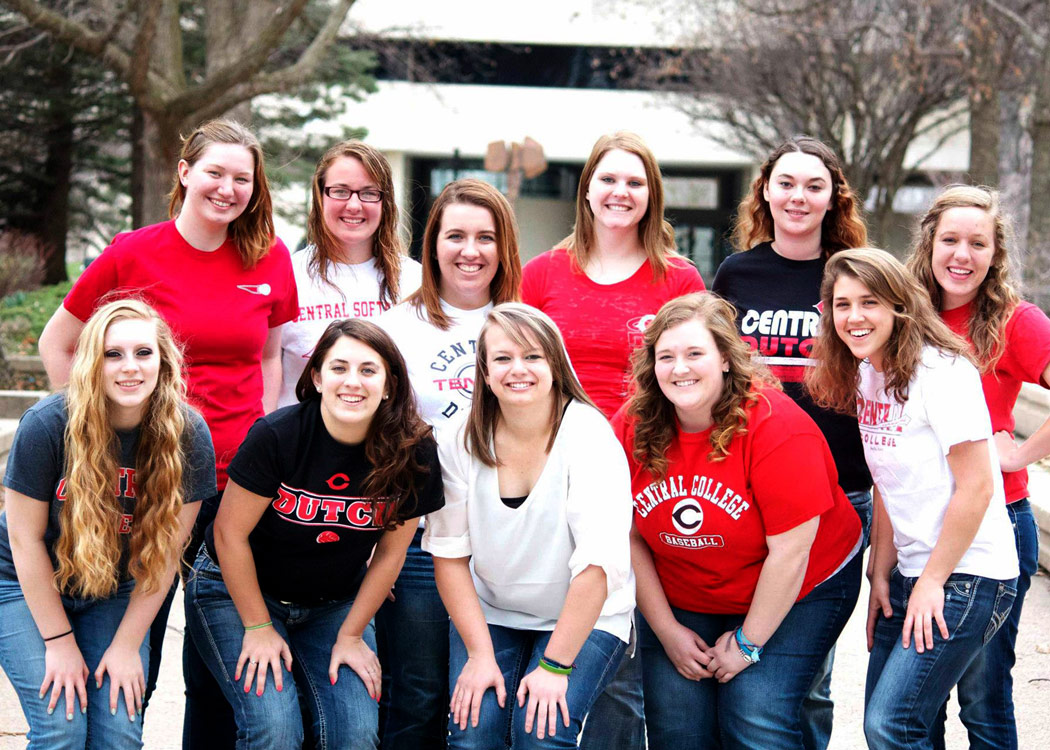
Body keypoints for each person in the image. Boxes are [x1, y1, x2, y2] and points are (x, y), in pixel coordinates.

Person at [37, 118, 298, 746]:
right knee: (134, 645)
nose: (228, 188)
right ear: (184, 173)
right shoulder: (133, 252)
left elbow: (266, 358)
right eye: (215, 172)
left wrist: (260, 441)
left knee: (218, 657)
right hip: (144, 482)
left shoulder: (269, 256)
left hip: (236, 484)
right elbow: (60, 341)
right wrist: (90, 438)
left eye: (243, 178)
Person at [521, 131, 704, 748]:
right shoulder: (544, 272)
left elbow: (702, 376)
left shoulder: (677, 279)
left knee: (620, 659)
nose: (620, 192)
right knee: (556, 623)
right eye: (608, 179)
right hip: (554, 474)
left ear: (652, 195)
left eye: (635, 181)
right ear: (587, 189)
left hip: (646, 476)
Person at [617, 292, 862, 750]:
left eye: (695, 353)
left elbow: (791, 553)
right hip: (686, 585)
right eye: (665, 356)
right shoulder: (633, 426)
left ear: (727, 359)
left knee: (753, 710)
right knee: (678, 726)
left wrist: (749, 643)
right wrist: (667, 632)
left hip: (804, 581)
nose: (680, 368)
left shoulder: (776, 427)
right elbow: (628, 537)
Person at [184, 319, 444, 749]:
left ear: (390, 384)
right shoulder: (278, 436)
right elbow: (230, 535)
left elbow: (389, 556)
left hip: (333, 603)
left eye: (368, 370)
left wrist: (352, 634)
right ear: (318, 377)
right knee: (276, 727)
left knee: (357, 733)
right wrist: (258, 625)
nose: (352, 382)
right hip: (236, 592)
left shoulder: (411, 451)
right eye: (339, 368)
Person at [805, 247, 1019, 750]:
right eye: (842, 304)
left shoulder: (942, 373)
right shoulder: (868, 373)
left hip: (968, 573)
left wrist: (932, 581)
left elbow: (979, 485)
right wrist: (881, 571)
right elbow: (887, 481)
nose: (854, 317)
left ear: (900, 305)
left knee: (891, 724)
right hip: (911, 572)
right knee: (903, 725)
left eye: (870, 302)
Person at [710, 135, 872, 750]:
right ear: (766, 192)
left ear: (834, 199)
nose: (798, 197)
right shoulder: (737, 271)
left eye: (814, 186)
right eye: (786, 183)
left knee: (806, 680)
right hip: (750, 493)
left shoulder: (855, 273)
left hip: (838, 494)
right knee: (755, 669)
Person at [0, 299, 215, 749]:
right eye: (112, 354)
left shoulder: (188, 435)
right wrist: (58, 643)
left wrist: (125, 646)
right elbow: (23, 540)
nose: (129, 368)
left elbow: (166, 555)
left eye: (143, 353)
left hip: (112, 588)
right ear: (91, 363)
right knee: (62, 725)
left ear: (164, 361)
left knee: (117, 730)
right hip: (19, 582)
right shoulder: (47, 425)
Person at [424, 303, 635, 749]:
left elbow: (598, 568)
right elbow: (449, 556)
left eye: (533, 356)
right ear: (483, 371)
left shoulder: (589, 437)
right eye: (502, 358)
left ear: (555, 366)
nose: (517, 369)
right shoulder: (459, 438)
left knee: (541, 734)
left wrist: (555, 668)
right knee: (472, 735)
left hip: (585, 614)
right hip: (493, 611)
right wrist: (480, 656)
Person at [375, 178, 522, 749]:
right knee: (417, 694)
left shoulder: (524, 324)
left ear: (503, 247)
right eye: (456, 235)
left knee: (483, 704)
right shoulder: (396, 328)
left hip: (500, 539)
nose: (470, 250)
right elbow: (373, 441)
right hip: (415, 539)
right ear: (432, 244)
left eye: (486, 237)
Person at [906, 185, 1050, 750]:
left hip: (996, 521)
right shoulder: (906, 316)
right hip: (923, 528)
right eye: (950, 240)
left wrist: (1019, 452)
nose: (961, 255)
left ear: (995, 254)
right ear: (929, 244)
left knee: (984, 698)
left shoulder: (1016, 321)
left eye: (977, 243)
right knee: (920, 702)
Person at [277, 140, 422, 408]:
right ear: (320, 197)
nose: (354, 205)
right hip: (302, 444)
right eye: (340, 191)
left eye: (368, 193)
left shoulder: (415, 281)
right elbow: (265, 365)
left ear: (385, 202)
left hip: (387, 443)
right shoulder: (287, 274)